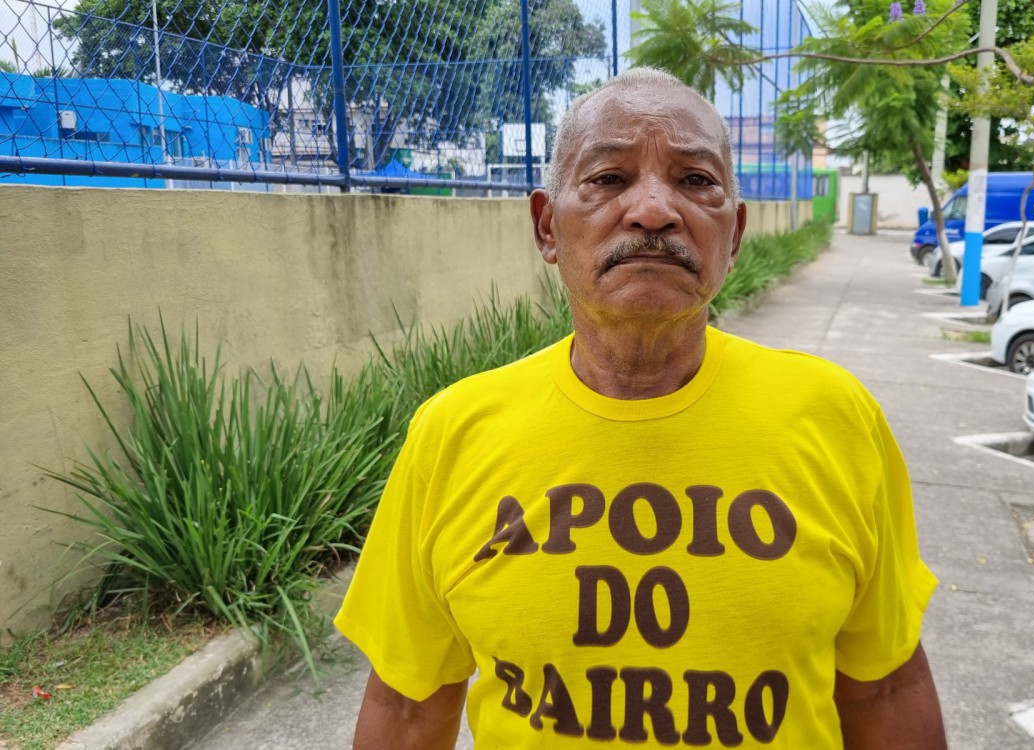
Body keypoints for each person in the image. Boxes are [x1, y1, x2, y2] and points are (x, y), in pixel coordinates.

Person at [335, 67, 946, 749]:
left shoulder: (836, 418)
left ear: (734, 234)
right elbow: (409, 706)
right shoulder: (452, 434)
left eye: (695, 180)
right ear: (546, 227)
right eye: (608, 178)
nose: (654, 211)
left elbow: (885, 686)